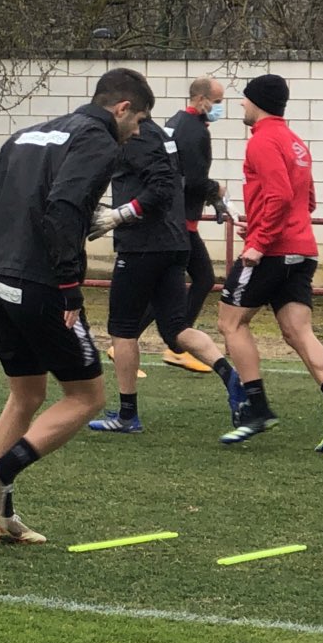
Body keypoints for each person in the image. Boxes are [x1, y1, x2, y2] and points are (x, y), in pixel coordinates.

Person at [0, 68, 154, 544]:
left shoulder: (30, 133)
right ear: (122, 108)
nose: (138, 133)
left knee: (26, 395)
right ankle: (0, 472)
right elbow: (66, 207)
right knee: (87, 398)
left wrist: (8, 248)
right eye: (140, 120)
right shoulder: (98, 141)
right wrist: (69, 283)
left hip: (0, 278)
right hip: (44, 285)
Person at [218, 74, 323, 453]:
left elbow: (280, 194)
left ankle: (257, 408)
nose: (241, 105)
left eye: (245, 99)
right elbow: (306, 200)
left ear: (258, 102)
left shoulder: (262, 141)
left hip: (275, 249)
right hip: (302, 248)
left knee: (230, 322)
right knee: (298, 332)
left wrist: (260, 241)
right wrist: (263, 218)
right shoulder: (296, 142)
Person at [84, 103, 244, 434]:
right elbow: (179, 181)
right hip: (174, 242)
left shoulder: (137, 137)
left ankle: (128, 415)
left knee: (123, 329)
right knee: (175, 327)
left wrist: (119, 215)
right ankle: (232, 377)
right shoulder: (161, 134)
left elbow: (160, 188)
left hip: (144, 245)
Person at [167, 76, 233, 371]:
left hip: (173, 216)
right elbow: (192, 180)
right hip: (182, 220)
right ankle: (179, 344)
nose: (220, 108)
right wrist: (214, 189)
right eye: (217, 102)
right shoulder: (195, 131)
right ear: (201, 99)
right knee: (203, 278)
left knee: (159, 287)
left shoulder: (175, 122)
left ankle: (126, 340)